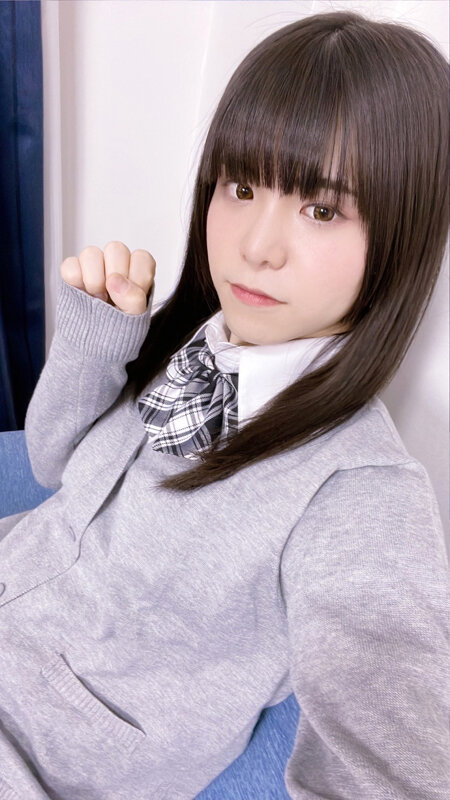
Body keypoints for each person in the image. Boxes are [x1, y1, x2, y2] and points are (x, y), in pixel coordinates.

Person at [0, 9, 448, 800]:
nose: (254, 246)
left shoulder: (360, 493)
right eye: (241, 186)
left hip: (39, 739)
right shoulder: (202, 339)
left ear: (400, 237)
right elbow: (52, 467)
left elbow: (397, 764)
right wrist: (97, 340)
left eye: (321, 208)